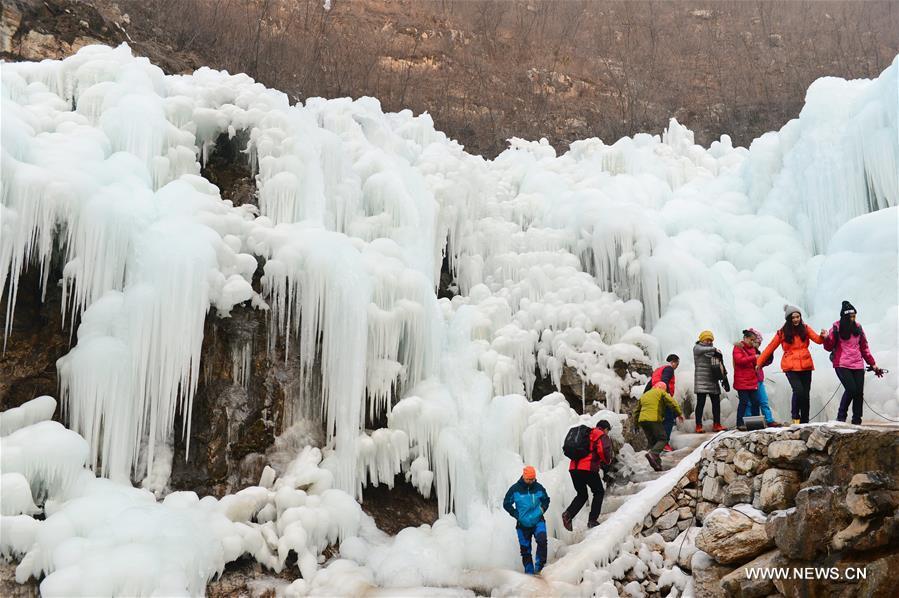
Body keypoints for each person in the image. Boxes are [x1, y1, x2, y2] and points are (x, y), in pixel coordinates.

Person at [757, 305, 825, 424]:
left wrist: (823, 336)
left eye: (798, 317)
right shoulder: (782, 332)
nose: (796, 319)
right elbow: (770, 347)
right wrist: (759, 362)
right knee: (798, 391)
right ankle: (795, 417)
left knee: (805, 394)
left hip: (806, 365)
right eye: (793, 317)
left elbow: (818, 340)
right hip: (790, 367)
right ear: (789, 319)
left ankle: (805, 421)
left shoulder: (805, 328)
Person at [822, 301, 884, 425]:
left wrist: (873, 364)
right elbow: (829, 347)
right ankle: (841, 418)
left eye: (854, 316)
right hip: (842, 364)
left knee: (859, 393)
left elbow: (864, 348)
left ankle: (857, 420)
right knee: (851, 389)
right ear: (844, 316)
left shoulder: (858, 327)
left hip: (857, 364)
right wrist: (826, 338)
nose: (852, 319)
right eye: (850, 316)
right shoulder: (836, 327)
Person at [561, 420, 614, 532]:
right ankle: (592, 520)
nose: (607, 433)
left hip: (574, 469)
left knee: (582, 494)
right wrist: (607, 461)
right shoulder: (599, 434)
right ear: (605, 429)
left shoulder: (587, 434)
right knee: (598, 491)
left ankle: (568, 515)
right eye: (608, 431)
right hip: (587, 468)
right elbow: (603, 450)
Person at [503, 466, 550, 575]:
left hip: (538, 520)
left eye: (533, 479)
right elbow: (506, 503)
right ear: (524, 477)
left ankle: (540, 568)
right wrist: (515, 514)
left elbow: (546, 500)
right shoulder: (515, 489)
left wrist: (542, 509)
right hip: (522, 524)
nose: (531, 481)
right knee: (525, 550)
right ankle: (529, 573)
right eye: (529, 479)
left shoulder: (538, 487)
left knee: (542, 540)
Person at [634, 382, 684, 471]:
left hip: (643, 421)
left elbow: (637, 411)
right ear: (662, 388)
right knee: (663, 439)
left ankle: (657, 465)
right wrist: (678, 413)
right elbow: (672, 402)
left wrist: (636, 425)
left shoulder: (644, 395)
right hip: (654, 419)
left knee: (654, 444)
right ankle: (653, 454)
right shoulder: (661, 392)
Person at [644, 354, 679, 451]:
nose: (676, 367)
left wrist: (644, 396)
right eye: (677, 364)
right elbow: (665, 380)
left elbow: (649, 384)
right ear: (673, 362)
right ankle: (664, 443)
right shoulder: (669, 369)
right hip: (662, 397)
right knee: (669, 419)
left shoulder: (658, 370)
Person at [745, 328, 779, 427]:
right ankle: (749, 420)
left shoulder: (758, 352)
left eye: (759, 343)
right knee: (750, 402)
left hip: (759, 380)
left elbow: (764, 363)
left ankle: (769, 420)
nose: (758, 344)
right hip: (750, 380)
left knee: (763, 400)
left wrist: (770, 354)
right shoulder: (746, 351)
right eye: (757, 342)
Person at [693, 331, 726, 433]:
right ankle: (698, 425)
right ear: (702, 339)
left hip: (713, 380)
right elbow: (701, 349)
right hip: (701, 381)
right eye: (707, 339)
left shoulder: (712, 350)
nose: (709, 341)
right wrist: (715, 349)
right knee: (700, 403)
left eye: (710, 340)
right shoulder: (697, 348)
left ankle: (717, 424)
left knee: (716, 403)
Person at [733, 330, 764, 430]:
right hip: (741, 380)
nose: (753, 342)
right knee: (744, 402)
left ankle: (755, 424)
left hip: (752, 380)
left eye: (754, 340)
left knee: (756, 402)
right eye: (751, 340)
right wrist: (753, 357)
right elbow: (739, 361)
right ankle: (739, 423)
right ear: (745, 338)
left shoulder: (753, 349)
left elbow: (756, 362)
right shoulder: (738, 348)